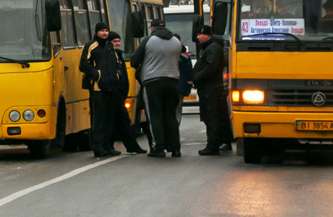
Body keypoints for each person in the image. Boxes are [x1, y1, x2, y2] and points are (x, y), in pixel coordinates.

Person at [84, 30, 145, 157]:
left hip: (115, 90)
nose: (117, 44)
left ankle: (117, 145)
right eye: (114, 41)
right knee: (103, 120)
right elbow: (84, 64)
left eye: (118, 41)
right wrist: (98, 75)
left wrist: (117, 80)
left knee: (117, 120)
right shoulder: (96, 48)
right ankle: (103, 146)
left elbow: (119, 71)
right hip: (102, 89)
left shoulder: (116, 53)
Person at [130, 19, 183, 158]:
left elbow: (134, 60)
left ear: (152, 28)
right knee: (170, 115)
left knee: (155, 115)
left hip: (153, 82)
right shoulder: (176, 42)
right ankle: (175, 147)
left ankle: (157, 147)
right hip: (173, 81)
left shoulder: (149, 40)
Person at [193, 23, 229, 155]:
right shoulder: (208, 47)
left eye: (199, 35)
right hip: (208, 87)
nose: (197, 37)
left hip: (210, 88)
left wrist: (197, 77)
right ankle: (218, 141)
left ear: (206, 35)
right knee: (212, 116)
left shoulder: (212, 48)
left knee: (211, 116)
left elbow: (210, 67)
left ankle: (213, 144)